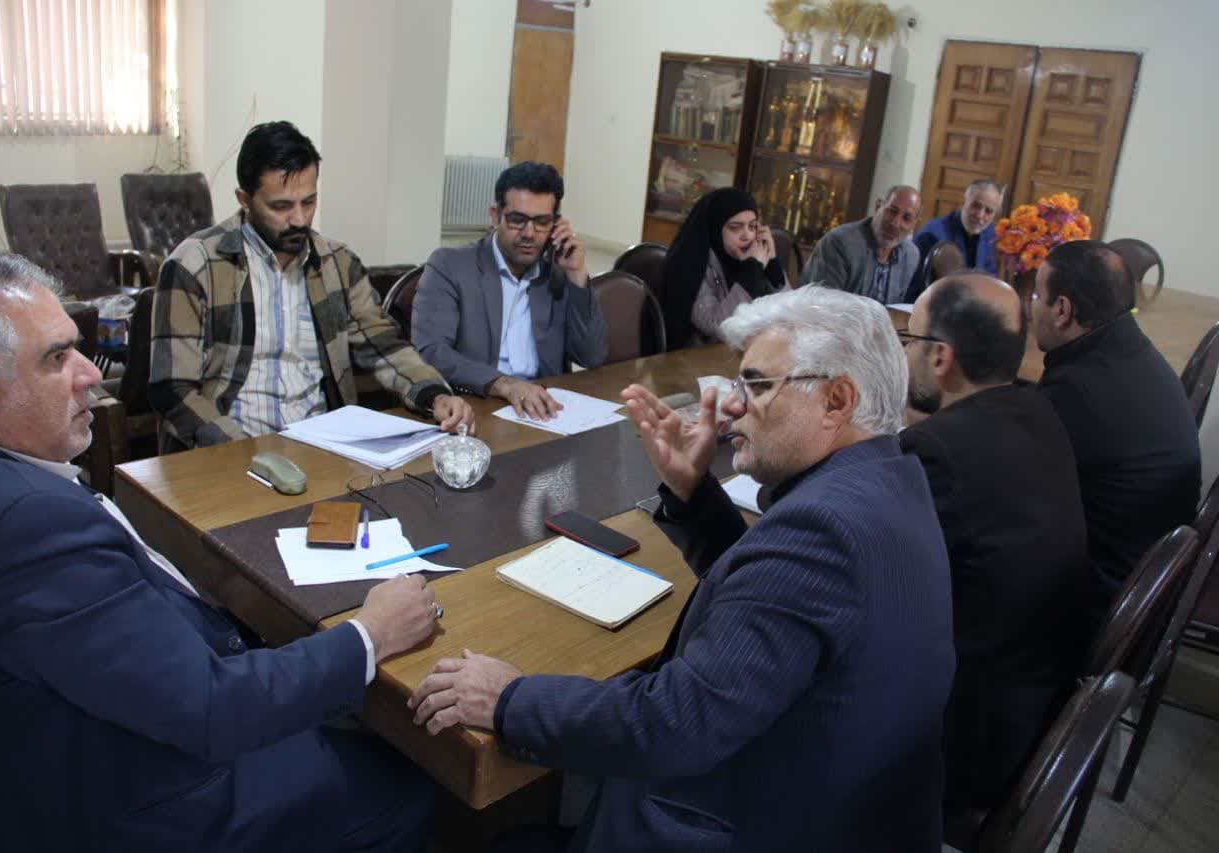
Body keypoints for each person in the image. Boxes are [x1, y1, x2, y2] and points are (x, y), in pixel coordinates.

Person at [408, 286, 955, 852]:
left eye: (758, 385)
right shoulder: (890, 480)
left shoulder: (820, 533)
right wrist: (694, 491)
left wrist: (508, 699)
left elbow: (673, 724)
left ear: (837, 401)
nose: (735, 405)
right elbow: (775, 608)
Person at [0, 251, 440, 852]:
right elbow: (213, 709)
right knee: (412, 777)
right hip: (133, 802)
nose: (91, 374)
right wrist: (372, 634)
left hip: (38, 753)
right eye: (56, 357)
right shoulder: (28, 526)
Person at [149, 120, 473, 452]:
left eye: (308, 202)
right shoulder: (196, 265)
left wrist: (435, 394)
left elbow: (382, 344)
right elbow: (172, 388)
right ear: (244, 199)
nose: (300, 219)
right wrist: (239, 452)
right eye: (281, 206)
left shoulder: (337, 263)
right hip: (229, 451)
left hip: (322, 447)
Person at [900, 273, 1090, 815]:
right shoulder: (1037, 410)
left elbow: (870, 572)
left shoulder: (935, 452)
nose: (905, 354)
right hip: (1034, 703)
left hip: (962, 738)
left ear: (941, 357)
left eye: (910, 340)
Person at [1032, 240, 1201, 616]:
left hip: (1099, 594)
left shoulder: (1077, 389)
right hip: (1145, 578)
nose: (1031, 306)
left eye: (1037, 295)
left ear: (1062, 310)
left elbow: (1018, 490)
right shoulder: (1133, 351)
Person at [410, 161, 607, 421]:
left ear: (556, 224)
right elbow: (431, 352)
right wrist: (504, 385)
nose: (529, 233)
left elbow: (592, 356)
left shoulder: (557, 274)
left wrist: (576, 274)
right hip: (476, 407)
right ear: (495, 216)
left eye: (542, 222)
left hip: (545, 411)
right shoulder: (450, 265)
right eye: (517, 220)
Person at [660, 187, 787, 350]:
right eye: (735, 227)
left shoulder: (753, 257)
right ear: (715, 229)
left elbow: (788, 318)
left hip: (741, 353)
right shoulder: (689, 263)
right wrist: (751, 272)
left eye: (752, 226)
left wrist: (773, 268)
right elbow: (718, 326)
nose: (747, 235)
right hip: (694, 358)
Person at [799, 184, 921, 304]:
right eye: (892, 211)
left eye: (906, 218)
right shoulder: (839, 243)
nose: (895, 223)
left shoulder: (911, 256)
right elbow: (822, 305)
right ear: (878, 206)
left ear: (914, 224)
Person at [909, 179, 1002, 296]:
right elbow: (916, 288)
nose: (980, 215)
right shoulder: (931, 235)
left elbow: (990, 277)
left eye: (988, 211)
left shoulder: (990, 234)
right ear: (963, 202)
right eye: (976, 206)